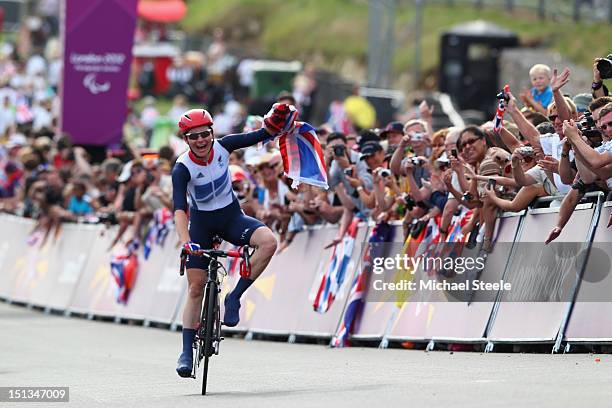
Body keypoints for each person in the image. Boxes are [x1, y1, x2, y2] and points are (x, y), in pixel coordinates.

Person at [172, 107, 282, 377]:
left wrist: (280, 116)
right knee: (196, 289)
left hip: (231, 217)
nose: (201, 141)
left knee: (268, 242)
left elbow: (264, 134)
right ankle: (186, 351)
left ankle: (234, 296)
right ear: (186, 139)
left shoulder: (225, 146)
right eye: (194, 136)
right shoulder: (181, 168)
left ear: (212, 132)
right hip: (201, 225)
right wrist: (186, 242)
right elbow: (179, 210)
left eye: (205, 134)